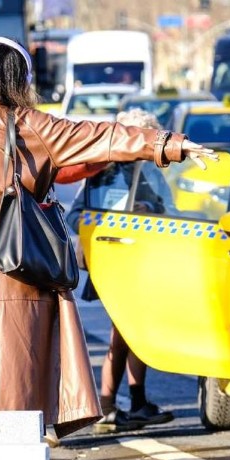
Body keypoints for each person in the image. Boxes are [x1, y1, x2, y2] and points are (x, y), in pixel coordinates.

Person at [0, 37, 216, 460]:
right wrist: (167, 144)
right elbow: (100, 137)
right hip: (20, 258)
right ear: (19, 76)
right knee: (18, 385)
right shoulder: (28, 123)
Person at [66, 109, 175, 433]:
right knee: (125, 332)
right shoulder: (103, 173)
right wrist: (104, 220)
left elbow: (169, 211)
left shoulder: (153, 173)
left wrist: (150, 210)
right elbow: (75, 216)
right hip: (113, 259)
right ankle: (115, 403)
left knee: (131, 332)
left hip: (143, 260)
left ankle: (123, 403)